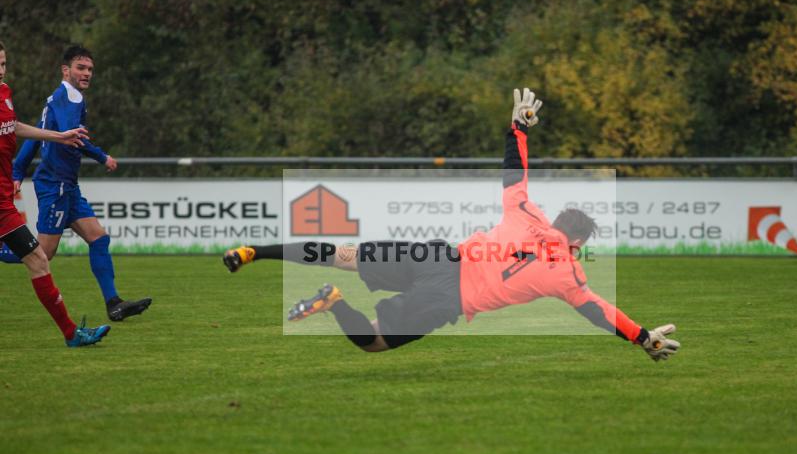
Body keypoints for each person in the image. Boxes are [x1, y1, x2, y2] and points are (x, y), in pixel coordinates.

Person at [222, 88, 680, 360]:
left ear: (556, 219)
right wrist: (642, 337)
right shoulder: (569, 272)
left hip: (438, 255)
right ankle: (335, 303)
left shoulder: (526, 212)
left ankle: (252, 252)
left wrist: (518, 128)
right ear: (577, 240)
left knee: (342, 255)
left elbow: (513, 172)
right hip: (449, 296)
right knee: (375, 342)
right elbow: (596, 310)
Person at [8, 45, 151, 322]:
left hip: (67, 186)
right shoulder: (69, 98)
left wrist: (17, 171)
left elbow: (38, 135)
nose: (87, 74)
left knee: (98, 238)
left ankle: (114, 303)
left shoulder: (58, 99)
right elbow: (71, 136)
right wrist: (102, 157)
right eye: (81, 68)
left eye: (90, 70)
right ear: (66, 70)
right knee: (42, 254)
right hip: (55, 184)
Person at [0, 40, 110, 347]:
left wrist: (58, 136)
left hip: (3, 199)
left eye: (3, 64)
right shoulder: (65, 98)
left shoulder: (4, 93)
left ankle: (71, 334)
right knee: (40, 255)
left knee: (38, 258)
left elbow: (16, 127)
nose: (1, 71)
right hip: (40, 187)